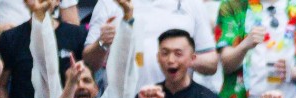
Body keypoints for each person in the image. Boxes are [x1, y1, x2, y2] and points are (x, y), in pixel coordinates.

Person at [84, 0, 217, 86]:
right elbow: (89, 64)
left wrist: (184, 60)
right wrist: (102, 43)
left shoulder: (190, 3)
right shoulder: (109, 3)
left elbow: (211, 63)